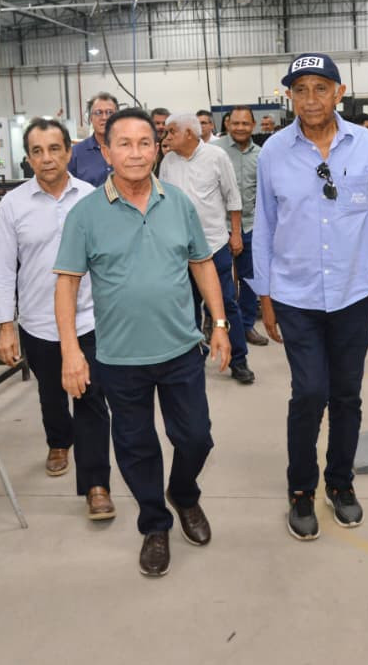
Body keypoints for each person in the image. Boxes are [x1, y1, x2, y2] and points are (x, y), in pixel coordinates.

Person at [53, 108, 231, 578]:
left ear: (158, 148)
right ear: (107, 151)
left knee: (196, 437)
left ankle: (184, 492)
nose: (135, 153)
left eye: (145, 143)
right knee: (136, 448)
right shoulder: (86, 214)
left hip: (180, 350)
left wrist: (219, 324)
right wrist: (71, 350)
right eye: (124, 144)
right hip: (119, 357)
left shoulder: (178, 203)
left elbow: (202, 263)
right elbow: (67, 283)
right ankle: (155, 523)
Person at [251, 53, 368, 541]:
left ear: (339, 93)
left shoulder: (366, 146)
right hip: (295, 294)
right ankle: (301, 489)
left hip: (353, 292)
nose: (311, 99)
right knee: (309, 393)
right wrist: (264, 295)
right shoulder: (274, 152)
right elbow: (264, 227)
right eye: (300, 90)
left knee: (346, 395)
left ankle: (340, 482)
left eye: (321, 88)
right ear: (289, 97)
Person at [0, 117, 114, 519]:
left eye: (54, 149)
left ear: (69, 152)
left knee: (91, 398)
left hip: (88, 319)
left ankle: (96, 484)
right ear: (28, 158)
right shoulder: (14, 204)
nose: (47, 159)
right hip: (38, 321)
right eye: (37, 151)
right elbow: (3, 268)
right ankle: (59, 441)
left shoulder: (92, 198)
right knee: (51, 391)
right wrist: (5, 325)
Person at [161, 114, 255, 384]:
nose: (167, 137)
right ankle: (193, 360)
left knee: (225, 304)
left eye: (172, 132)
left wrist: (235, 234)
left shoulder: (216, 157)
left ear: (189, 134)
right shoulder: (168, 162)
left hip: (215, 246)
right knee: (187, 307)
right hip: (180, 250)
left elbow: (233, 198)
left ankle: (239, 360)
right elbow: (162, 200)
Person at [213, 106, 269, 348]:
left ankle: (246, 325)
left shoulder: (262, 155)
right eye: (235, 123)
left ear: (253, 126)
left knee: (250, 279)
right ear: (227, 124)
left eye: (245, 123)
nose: (240, 128)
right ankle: (216, 323)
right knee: (218, 279)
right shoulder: (214, 151)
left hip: (251, 225)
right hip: (219, 226)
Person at [69, 93, 118, 187]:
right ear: (90, 118)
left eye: (109, 112)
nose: (104, 117)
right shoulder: (75, 154)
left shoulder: (127, 149)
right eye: (98, 112)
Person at [151, 108, 171, 176]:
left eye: (164, 123)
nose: (161, 127)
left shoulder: (175, 146)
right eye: (157, 123)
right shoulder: (145, 145)